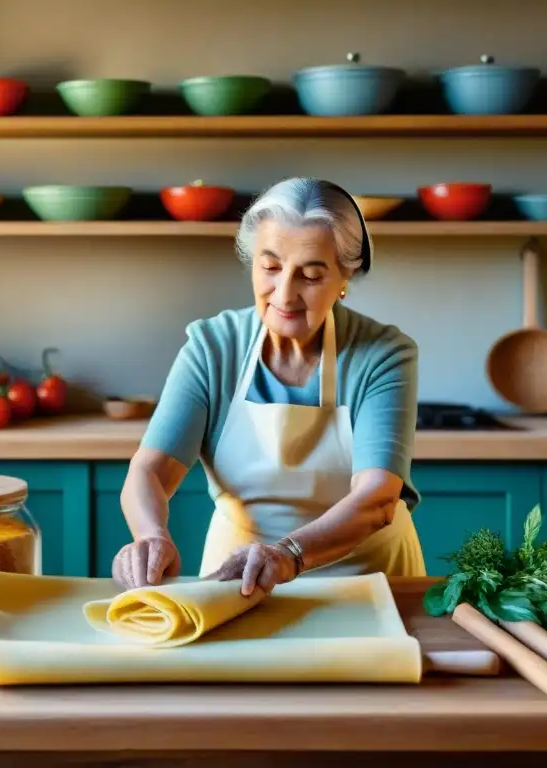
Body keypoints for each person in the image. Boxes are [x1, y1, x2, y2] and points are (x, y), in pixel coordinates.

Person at [112, 177, 426, 598]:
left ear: (345, 276)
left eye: (311, 275)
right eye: (271, 267)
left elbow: (377, 499)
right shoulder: (212, 346)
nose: (285, 294)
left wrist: (289, 554)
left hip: (367, 581)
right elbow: (150, 470)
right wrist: (151, 536)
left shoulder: (383, 354)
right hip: (239, 582)